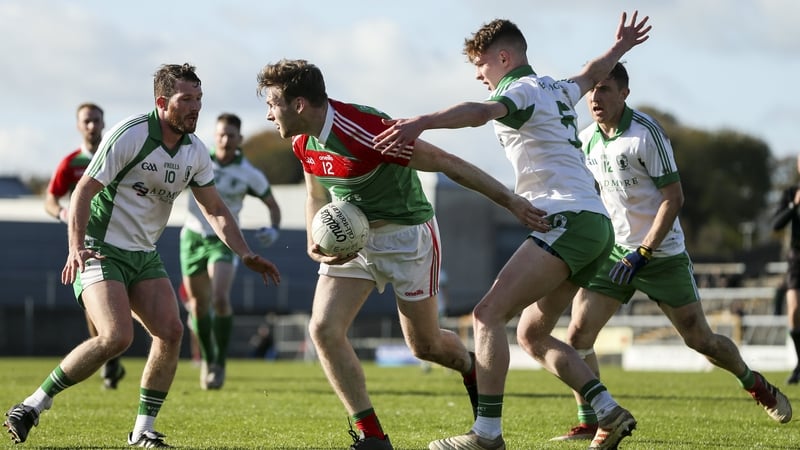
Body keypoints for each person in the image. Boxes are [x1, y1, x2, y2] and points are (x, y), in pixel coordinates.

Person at [373, 12, 650, 450]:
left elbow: (479, 112)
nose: (479, 74)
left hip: (566, 220)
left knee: (487, 316)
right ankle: (609, 411)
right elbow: (591, 74)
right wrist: (618, 49)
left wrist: (421, 122)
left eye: (480, 65)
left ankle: (486, 435)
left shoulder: (517, 91)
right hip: (594, 225)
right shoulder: (555, 88)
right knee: (532, 335)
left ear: (503, 57)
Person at [256, 58, 547, 450]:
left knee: (425, 346)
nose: (268, 113)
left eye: (272, 103)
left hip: (407, 238)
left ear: (300, 105)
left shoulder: (367, 131)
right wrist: (315, 235)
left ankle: (469, 367)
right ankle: (372, 436)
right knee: (323, 330)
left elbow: (448, 163)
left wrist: (512, 202)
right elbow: (315, 193)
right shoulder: (301, 140)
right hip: (353, 244)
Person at [3, 63, 281, 448]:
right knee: (116, 336)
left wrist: (245, 253)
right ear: (163, 102)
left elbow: (215, 208)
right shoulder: (130, 134)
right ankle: (32, 405)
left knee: (172, 332)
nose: (196, 107)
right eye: (187, 100)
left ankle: (142, 430)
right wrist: (75, 245)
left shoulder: (196, 152)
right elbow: (83, 190)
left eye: (199, 99)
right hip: (100, 249)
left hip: (143, 254)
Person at [541, 62, 791, 442]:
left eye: (605, 89)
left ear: (625, 93)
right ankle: (591, 420)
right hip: (613, 253)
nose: (595, 97)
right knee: (577, 336)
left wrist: (644, 251)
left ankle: (754, 383)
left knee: (701, 341)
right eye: (592, 89)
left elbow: (673, 199)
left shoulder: (646, 134)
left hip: (662, 254)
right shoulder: (588, 138)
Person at [180, 112, 282, 390]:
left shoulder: (249, 174)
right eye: (221, 134)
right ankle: (209, 359)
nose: (225, 139)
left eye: (231, 135)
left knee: (220, 297)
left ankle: (219, 363)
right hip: (191, 237)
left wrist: (273, 229)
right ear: (215, 135)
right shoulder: (197, 159)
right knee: (199, 305)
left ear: (240, 139)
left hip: (224, 240)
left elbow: (273, 205)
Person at [44, 102, 126, 390]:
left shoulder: (118, 153)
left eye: (96, 120)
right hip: (87, 242)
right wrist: (63, 213)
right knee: (93, 308)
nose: (92, 126)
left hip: (123, 239)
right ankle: (110, 358)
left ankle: (112, 352)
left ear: (104, 123)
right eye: (86, 121)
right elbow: (51, 199)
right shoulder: (71, 163)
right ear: (79, 126)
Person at [772, 154, 800, 385]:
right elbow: (776, 224)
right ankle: (799, 365)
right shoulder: (791, 193)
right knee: (794, 310)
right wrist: (794, 205)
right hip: (796, 258)